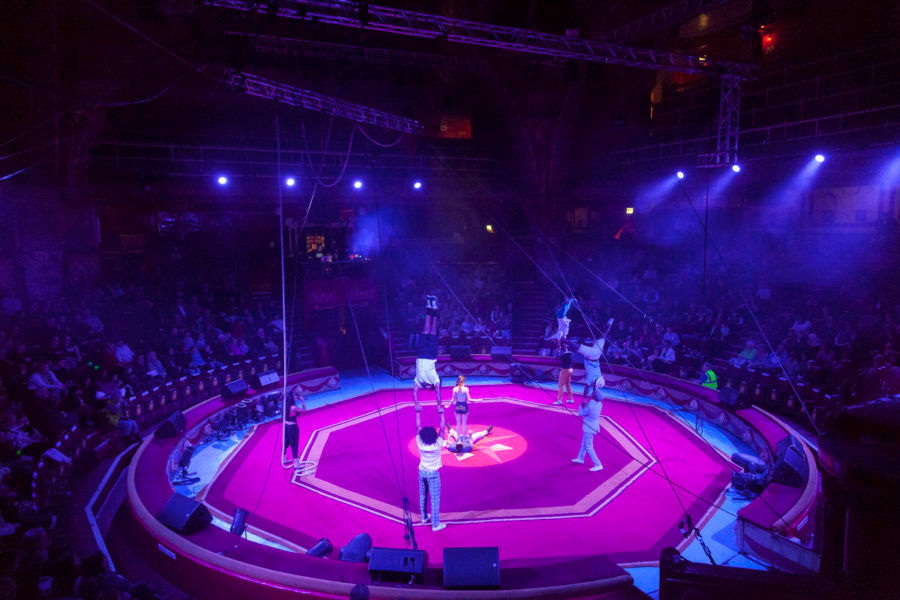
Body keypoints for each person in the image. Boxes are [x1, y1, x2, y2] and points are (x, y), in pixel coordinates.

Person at [413, 296, 444, 430]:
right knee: (432, 330)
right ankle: (435, 308)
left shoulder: (419, 381)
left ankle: (429, 307)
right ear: (430, 386)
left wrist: (417, 404)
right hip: (431, 355)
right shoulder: (434, 380)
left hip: (421, 353)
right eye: (427, 389)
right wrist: (438, 406)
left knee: (426, 328)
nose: (424, 389)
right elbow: (438, 393)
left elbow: (414, 392)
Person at [416, 425, 447, 531]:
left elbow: (417, 427)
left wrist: (418, 413)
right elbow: (442, 429)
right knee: (435, 499)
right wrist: (442, 413)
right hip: (433, 475)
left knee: (422, 495)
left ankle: (424, 518)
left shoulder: (419, 443)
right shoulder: (438, 444)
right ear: (434, 435)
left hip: (422, 472)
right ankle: (435, 525)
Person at [573, 386, 604, 471]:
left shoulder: (591, 405)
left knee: (589, 446)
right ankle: (580, 458)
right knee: (584, 443)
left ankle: (598, 464)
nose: (592, 393)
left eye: (593, 393)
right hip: (593, 426)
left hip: (589, 428)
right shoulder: (599, 403)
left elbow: (581, 413)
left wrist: (581, 406)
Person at [283, 390, 305, 468]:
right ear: (292, 398)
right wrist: (302, 402)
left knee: (286, 442)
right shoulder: (294, 407)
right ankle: (296, 463)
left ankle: (284, 458)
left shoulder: (285, 405)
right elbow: (304, 410)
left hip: (286, 426)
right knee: (294, 444)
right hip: (292, 427)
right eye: (295, 396)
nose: (296, 397)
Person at [451, 375, 472, 441]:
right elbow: (469, 399)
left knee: (458, 424)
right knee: (464, 424)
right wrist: (477, 400)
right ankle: (463, 439)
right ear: (463, 382)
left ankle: (459, 440)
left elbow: (453, 400)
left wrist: (448, 405)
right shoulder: (466, 389)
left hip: (458, 406)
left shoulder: (454, 389)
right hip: (464, 406)